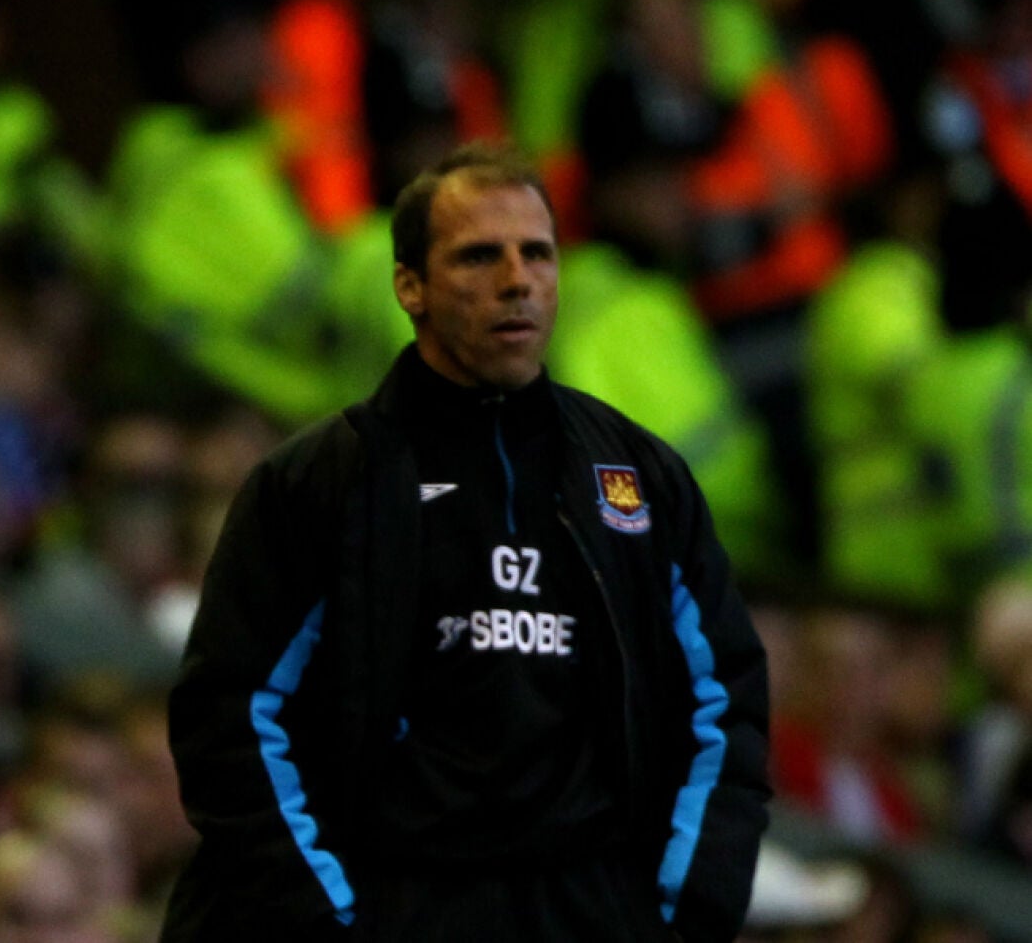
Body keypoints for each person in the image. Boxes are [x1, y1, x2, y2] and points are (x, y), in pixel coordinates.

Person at [162, 143, 769, 942]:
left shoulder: (638, 476)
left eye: (538, 254)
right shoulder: (318, 483)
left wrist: (685, 907)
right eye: (479, 256)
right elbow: (232, 716)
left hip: (584, 908)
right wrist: (324, 919)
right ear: (408, 286)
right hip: (395, 903)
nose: (517, 280)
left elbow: (726, 701)